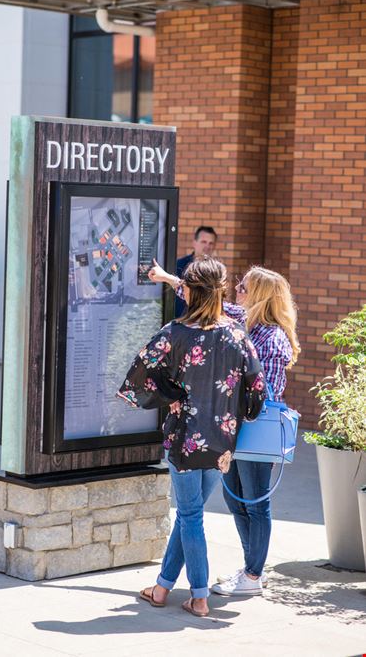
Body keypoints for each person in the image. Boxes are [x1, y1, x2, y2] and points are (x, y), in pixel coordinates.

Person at [117, 258, 266, 618]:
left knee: (190, 516)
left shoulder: (175, 333)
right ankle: (162, 587)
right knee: (190, 516)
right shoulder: (237, 335)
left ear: (191, 292)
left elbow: (138, 378)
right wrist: (236, 414)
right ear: (222, 290)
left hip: (184, 439)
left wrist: (173, 397)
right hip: (222, 444)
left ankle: (199, 598)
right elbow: (257, 390)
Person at [148, 261, 300, 596]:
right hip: (231, 430)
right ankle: (248, 570)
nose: (237, 291)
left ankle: (253, 576)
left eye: (244, 287)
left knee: (256, 503)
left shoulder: (270, 338)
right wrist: (167, 278)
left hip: (254, 428)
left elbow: (264, 393)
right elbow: (208, 299)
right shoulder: (243, 322)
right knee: (235, 501)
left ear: (259, 296)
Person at [175, 226, 217, 317]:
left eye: (211, 243)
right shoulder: (178, 265)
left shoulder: (216, 271)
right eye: (203, 242)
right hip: (178, 321)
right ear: (194, 243)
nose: (207, 246)